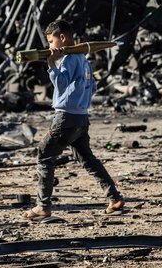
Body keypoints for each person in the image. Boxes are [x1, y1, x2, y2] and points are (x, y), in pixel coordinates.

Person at [23, 19, 124, 219]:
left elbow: (61, 84)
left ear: (62, 38)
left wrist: (51, 64)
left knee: (44, 155)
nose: (50, 46)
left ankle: (43, 206)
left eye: (51, 41)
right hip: (81, 119)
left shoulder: (68, 59)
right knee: (88, 159)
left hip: (65, 118)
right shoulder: (84, 60)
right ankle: (114, 197)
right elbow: (92, 87)